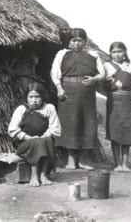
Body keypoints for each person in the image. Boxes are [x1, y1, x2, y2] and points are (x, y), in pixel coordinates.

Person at [51, 28, 105, 170]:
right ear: (69, 42)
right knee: (70, 125)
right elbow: (55, 74)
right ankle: (70, 160)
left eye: (80, 41)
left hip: (87, 95)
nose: (76, 44)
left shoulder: (93, 55)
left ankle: (83, 160)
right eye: (73, 41)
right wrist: (59, 89)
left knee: (87, 125)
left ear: (85, 42)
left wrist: (94, 79)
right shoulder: (62, 54)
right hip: (68, 94)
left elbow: (102, 74)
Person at [8, 83, 61, 187]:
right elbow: (12, 129)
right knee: (38, 143)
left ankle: (43, 175)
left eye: (37, 97)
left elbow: (55, 128)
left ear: (43, 97)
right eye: (31, 97)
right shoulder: (21, 109)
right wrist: (31, 138)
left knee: (46, 141)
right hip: (25, 145)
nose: (34, 100)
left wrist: (41, 138)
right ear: (26, 97)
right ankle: (34, 176)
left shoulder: (49, 108)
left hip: (45, 142)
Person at [104, 41, 131, 172]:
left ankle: (125, 164)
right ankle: (117, 164)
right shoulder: (106, 66)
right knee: (115, 131)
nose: (117, 54)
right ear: (110, 53)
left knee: (127, 131)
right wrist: (111, 93)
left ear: (125, 52)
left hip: (128, 102)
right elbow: (101, 85)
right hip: (113, 101)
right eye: (114, 52)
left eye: (120, 51)